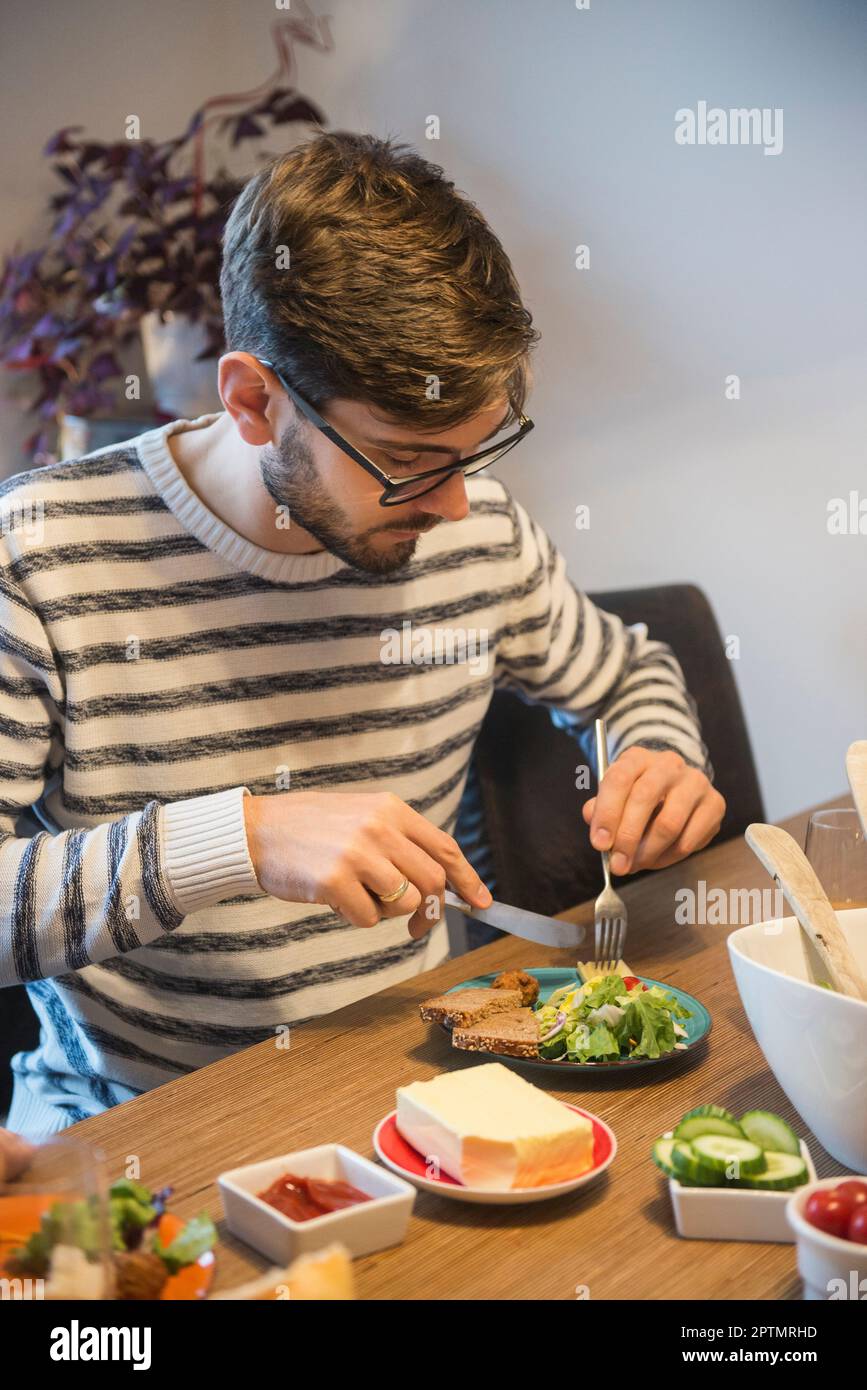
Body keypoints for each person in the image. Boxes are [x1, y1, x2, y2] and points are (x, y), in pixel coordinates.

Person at [0, 132, 724, 1138]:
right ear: (254, 401)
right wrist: (237, 838)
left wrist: (654, 747)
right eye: (405, 460)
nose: (458, 505)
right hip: (140, 1132)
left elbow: (627, 669)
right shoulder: (41, 554)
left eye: (478, 451)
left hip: (419, 1100)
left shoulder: (478, 537)